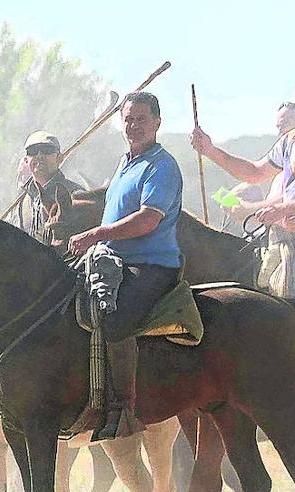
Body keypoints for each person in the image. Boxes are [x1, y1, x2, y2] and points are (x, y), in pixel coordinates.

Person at [67, 92, 184, 441]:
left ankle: (122, 409)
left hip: (151, 265)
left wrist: (97, 234)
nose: (134, 126)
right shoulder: (125, 163)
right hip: (114, 261)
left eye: (141, 119)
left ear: (158, 122)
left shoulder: (162, 166)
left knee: (113, 317)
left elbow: (148, 220)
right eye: (128, 119)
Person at [190, 72, 295, 297]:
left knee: (290, 293)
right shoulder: (291, 140)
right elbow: (255, 172)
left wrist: (281, 210)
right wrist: (210, 150)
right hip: (287, 230)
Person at [214, 103, 295, 232]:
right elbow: (256, 173)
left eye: (286, 124)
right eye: (279, 127)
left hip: (293, 233)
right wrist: (234, 197)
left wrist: (247, 210)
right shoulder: (282, 159)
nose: (281, 133)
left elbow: (293, 198)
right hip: (269, 230)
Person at [13, 131, 84, 243]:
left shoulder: (75, 194)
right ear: (26, 160)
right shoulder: (21, 206)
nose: (39, 156)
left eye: (47, 150)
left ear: (59, 158)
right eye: (33, 151)